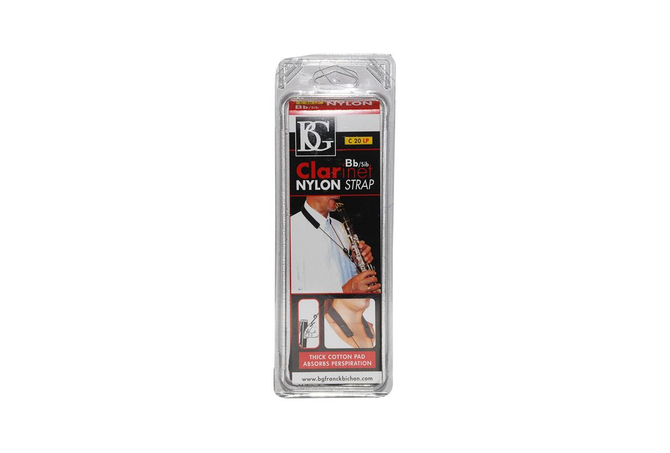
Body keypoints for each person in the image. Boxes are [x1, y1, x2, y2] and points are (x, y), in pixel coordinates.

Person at [291, 196, 380, 293]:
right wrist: (346, 291)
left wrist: (357, 265)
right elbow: (290, 297)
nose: (338, 194)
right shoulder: (289, 230)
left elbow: (348, 279)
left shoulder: (341, 227)